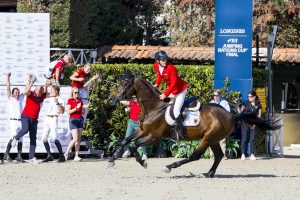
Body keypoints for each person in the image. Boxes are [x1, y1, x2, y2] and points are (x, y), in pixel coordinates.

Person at [7, 74, 48, 163]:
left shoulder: (41, 95)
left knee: (33, 138)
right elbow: (26, 91)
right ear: (35, 90)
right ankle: (15, 138)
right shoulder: (31, 93)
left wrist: (47, 83)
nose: (40, 91)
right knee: (25, 130)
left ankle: (31, 157)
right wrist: (31, 81)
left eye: (41, 90)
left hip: (34, 119)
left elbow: (45, 91)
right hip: (26, 116)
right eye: (38, 90)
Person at [153, 50, 188, 140]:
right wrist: (156, 84)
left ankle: (181, 132)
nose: (165, 61)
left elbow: (173, 83)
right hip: (173, 90)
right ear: (157, 61)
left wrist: (165, 94)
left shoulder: (171, 68)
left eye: (165, 59)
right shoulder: (156, 66)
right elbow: (159, 75)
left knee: (176, 110)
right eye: (163, 60)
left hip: (180, 90)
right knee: (165, 107)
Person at [3, 72, 25, 162]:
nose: (17, 94)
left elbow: (27, 89)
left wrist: (30, 80)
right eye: (15, 92)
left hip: (21, 121)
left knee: (21, 139)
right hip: (13, 121)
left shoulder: (20, 98)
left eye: (18, 92)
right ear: (12, 93)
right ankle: (6, 154)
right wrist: (7, 78)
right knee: (13, 137)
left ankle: (19, 156)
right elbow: (8, 87)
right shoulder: (10, 98)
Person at [40, 85, 65, 163]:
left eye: (52, 90)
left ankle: (62, 156)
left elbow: (62, 111)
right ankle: (49, 155)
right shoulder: (50, 97)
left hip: (54, 118)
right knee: (44, 139)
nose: (50, 92)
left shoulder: (60, 99)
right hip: (47, 118)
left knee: (54, 138)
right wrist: (46, 85)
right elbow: (44, 93)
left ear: (56, 91)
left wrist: (57, 103)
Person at [120, 95, 147, 160]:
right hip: (131, 122)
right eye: (133, 98)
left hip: (138, 123)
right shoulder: (131, 103)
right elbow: (124, 102)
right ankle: (127, 151)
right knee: (127, 137)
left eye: (135, 98)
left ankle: (145, 154)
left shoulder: (141, 104)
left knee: (140, 138)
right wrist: (119, 99)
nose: (134, 99)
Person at [239, 90, 262, 161]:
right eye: (248, 96)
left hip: (253, 123)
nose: (249, 98)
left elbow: (259, 114)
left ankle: (252, 154)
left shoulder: (258, 104)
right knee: (244, 138)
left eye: (251, 96)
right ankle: (243, 154)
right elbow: (240, 112)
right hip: (245, 123)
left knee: (252, 139)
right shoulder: (245, 103)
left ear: (254, 97)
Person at [64, 87, 86, 161]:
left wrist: (84, 108)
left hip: (80, 119)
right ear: (72, 93)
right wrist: (76, 108)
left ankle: (76, 156)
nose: (77, 94)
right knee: (75, 138)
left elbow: (82, 112)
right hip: (73, 120)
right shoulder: (70, 100)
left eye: (78, 92)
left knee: (78, 139)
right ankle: (66, 153)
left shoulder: (80, 100)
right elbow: (68, 112)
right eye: (75, 92)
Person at [209, 89, 231, 159]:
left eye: (217, 95)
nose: (215, 97)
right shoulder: (211, 103)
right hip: (212, 124)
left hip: (222, 124)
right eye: (214, 95)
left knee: (222, 139)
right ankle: (212, 155)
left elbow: (228, 111)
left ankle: (223, 154)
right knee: (212, 139)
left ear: (219, 96)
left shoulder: (224, 103)